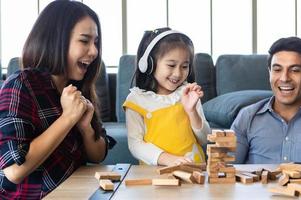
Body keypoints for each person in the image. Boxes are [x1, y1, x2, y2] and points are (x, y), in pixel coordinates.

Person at [0, 0, 116, 198]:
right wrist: (67, 118)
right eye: (85, 40)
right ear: (55, 40)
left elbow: (97, 156)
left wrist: (85, 128)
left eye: (95, 42)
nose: (95, 51)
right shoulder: (21, 84)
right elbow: (13, 171)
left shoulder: (78, 89)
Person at [232, 36, 301, 164]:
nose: (285, 78)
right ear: (269, 73)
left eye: (295, 70)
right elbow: (225, 172)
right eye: (277, 69)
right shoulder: (247, 117)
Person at [123, 27, 211, 166]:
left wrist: (192, 112)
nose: (177, 73)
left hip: (194, 170)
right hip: (156, 174)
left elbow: (204, 139)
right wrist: (168, 159)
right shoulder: (136, 100)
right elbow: (135, 145)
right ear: (150, 64)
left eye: (184, 66)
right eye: (171, 65)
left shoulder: (188, 95)